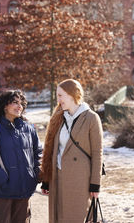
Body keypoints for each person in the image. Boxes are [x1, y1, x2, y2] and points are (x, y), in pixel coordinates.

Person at [41, 79, 103, 223]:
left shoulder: (91, 118)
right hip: (57, 176)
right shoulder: (59, 117)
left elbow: (97, 153)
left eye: (60, 95)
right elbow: (51, 150)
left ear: (71, 94)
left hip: (80, 179)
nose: (58, 100)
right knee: (59, 218)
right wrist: (46, 179)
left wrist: (95, 183)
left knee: (76, 217)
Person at [0, 90, 42, 223]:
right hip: (3, 193)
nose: (19, 106)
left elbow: (38, 153)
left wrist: (36, 173)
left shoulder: (28, 129)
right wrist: (1, 179)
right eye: (15, 103)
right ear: (5, 106)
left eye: (21, 103)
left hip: (24, 191)